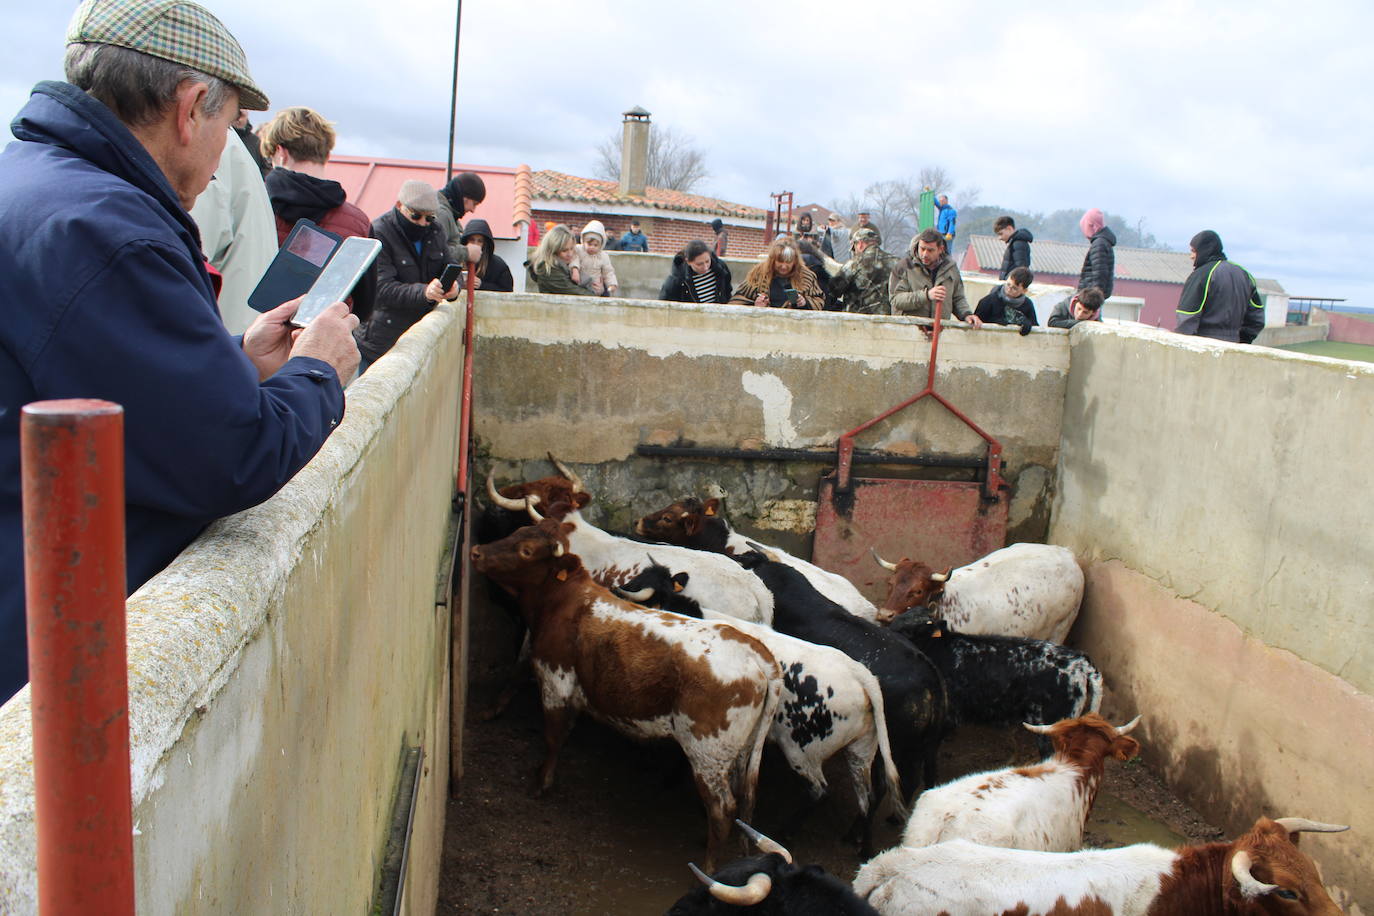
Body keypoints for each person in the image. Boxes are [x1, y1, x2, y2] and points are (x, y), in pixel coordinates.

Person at [0, 0, 360, 702]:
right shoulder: (110, 232)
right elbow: (230, 457)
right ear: (192, 108)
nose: (227, 150)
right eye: (229, 127)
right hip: (44, 652)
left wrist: (241, 359)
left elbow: (97, 377)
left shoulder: (36, 181)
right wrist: (321, 372)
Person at [258, 105, 376, 321]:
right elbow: (365, 305)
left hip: (255, 339)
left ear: (280, 152)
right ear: (328, 154)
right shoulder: (359, 222)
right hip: (324, 342)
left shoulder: (254, 205)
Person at [355, 180, 458, 371]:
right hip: (381, 342)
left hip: (418, 335)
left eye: (429, 218)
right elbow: (382, 289)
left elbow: (450, 266)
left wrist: (454, 287)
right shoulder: (379, 232)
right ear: (399, 206)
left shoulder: (436, 231)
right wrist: (424, 292)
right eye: (416, 215)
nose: (422, 223)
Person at [190, 123, 276, 334]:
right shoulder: (231, 147)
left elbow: (182, 261)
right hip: (240, 331)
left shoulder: (205, 142)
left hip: (214, 334)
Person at [1175, 230, 1265, 343]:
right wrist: (1242, 341)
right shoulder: (1244, 274)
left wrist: (1184, 343)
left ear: (1203, 250)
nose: (1191, 256)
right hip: (1234, 346)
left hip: (1204, 344)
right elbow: (1256, 318)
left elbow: (1186, 316)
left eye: (1193, 251)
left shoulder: (1202, 274)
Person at [890, 228, 981, 327]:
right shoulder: (904, 266)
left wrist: (966, 315)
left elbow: (957, 298)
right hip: (909, 331)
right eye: (922, 249)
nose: (925, 254)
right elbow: (896, 299)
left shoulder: (951, 268)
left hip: (939, 332)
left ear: (940, 249)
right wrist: (926, 296)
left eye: (930, 250)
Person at [728, 238, 824, 309]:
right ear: (773, 260)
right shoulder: (758, 275)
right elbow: (737, 300)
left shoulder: (806, 277)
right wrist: (755, 305)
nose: (784, 266)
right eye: (780, 261)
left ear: (795, 262)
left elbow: (819, 301)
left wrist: (804, 302)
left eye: (788, 262)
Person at [828, 227, 897, 315]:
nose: (854, 252)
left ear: (860, 244)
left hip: (858, 322)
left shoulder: (854, 263)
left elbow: (834, 289)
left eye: (854, 248)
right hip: (888, 321)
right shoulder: (896, 262)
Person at [436, 171, 486, 269]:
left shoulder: (450, 215)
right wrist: (466, 252)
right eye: (474, 204)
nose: (473, 210)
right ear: (464, 198)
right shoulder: (442, 215)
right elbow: (436, 253)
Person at [525, 224, 592, 295]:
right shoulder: (548, 269)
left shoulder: (563, 263)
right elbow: (572, 291)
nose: (570, 254)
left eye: (572, 248)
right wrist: (595, 295)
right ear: (553, 250)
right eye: (564, 250)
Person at [659, 240, 733, 304]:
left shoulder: (721, 268)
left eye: (707, 261)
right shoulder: (676, 281)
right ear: (688, 262)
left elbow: (728, 293)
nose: (705, 267)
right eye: (699, 264)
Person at [974, 266, 1038, 335]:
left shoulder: (1028, 305)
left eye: (1014, 288)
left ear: (1024, 291)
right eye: (1008, 284)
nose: (1009, 289)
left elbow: (1035, 328)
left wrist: (1029, 324)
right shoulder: (989, 301)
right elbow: (975, 323)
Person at [459, 219, 514, 292]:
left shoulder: (498, 266)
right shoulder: (456, 260)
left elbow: (507, 291)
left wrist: (482, 285)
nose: (475, 244)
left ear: (485, 244)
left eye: (480, 241)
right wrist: (460, 284)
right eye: (472, 240)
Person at [571, 220, 620, 296]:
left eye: (595, 245)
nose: (592, 247)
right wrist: (575, 269)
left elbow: (608, 272)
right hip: (579, 283)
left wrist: (612, 284)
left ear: (601, 245)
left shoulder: (603, 256)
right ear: (583, 241)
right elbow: (574, 259)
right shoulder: (579, 250)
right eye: (589, 244)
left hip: (595, 285)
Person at [1078, 208, 1116, 300]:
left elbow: (1099, 275)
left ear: (1091, 225)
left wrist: (1093, 301)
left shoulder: (1099, 245)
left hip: (1091, 300)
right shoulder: (1103, 243)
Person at [935, 194, 958, 258]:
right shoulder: (942, 209)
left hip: (947, 235)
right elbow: (936, 202)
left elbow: (952, 222)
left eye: (942, 200)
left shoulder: (951, 211)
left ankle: (949, 266)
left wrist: (949, 233)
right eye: (940, 201)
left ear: (946, 201)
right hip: (941, 234)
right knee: (940, 251)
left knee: (947, 251)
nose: (941, 202)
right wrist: (930, 193)